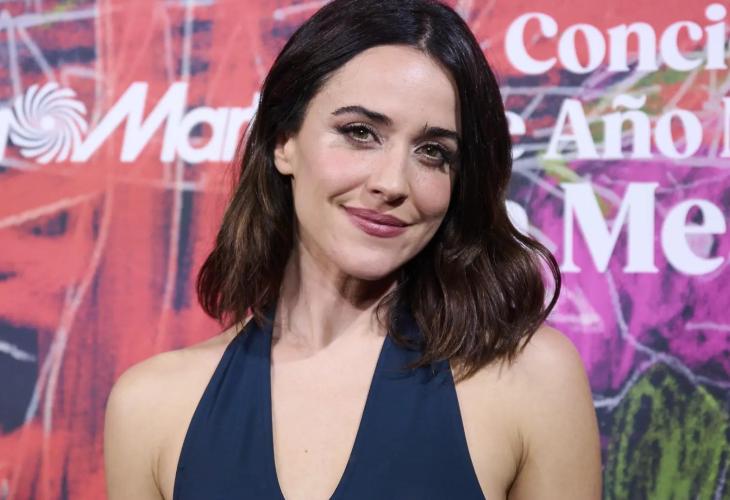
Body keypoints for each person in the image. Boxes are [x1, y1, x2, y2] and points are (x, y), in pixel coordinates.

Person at [104, 0, 601, 498]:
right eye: (360, 133)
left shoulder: (530, 379)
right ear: (284, 141)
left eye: (433, 152)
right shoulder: (153, 408)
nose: (393, 183)